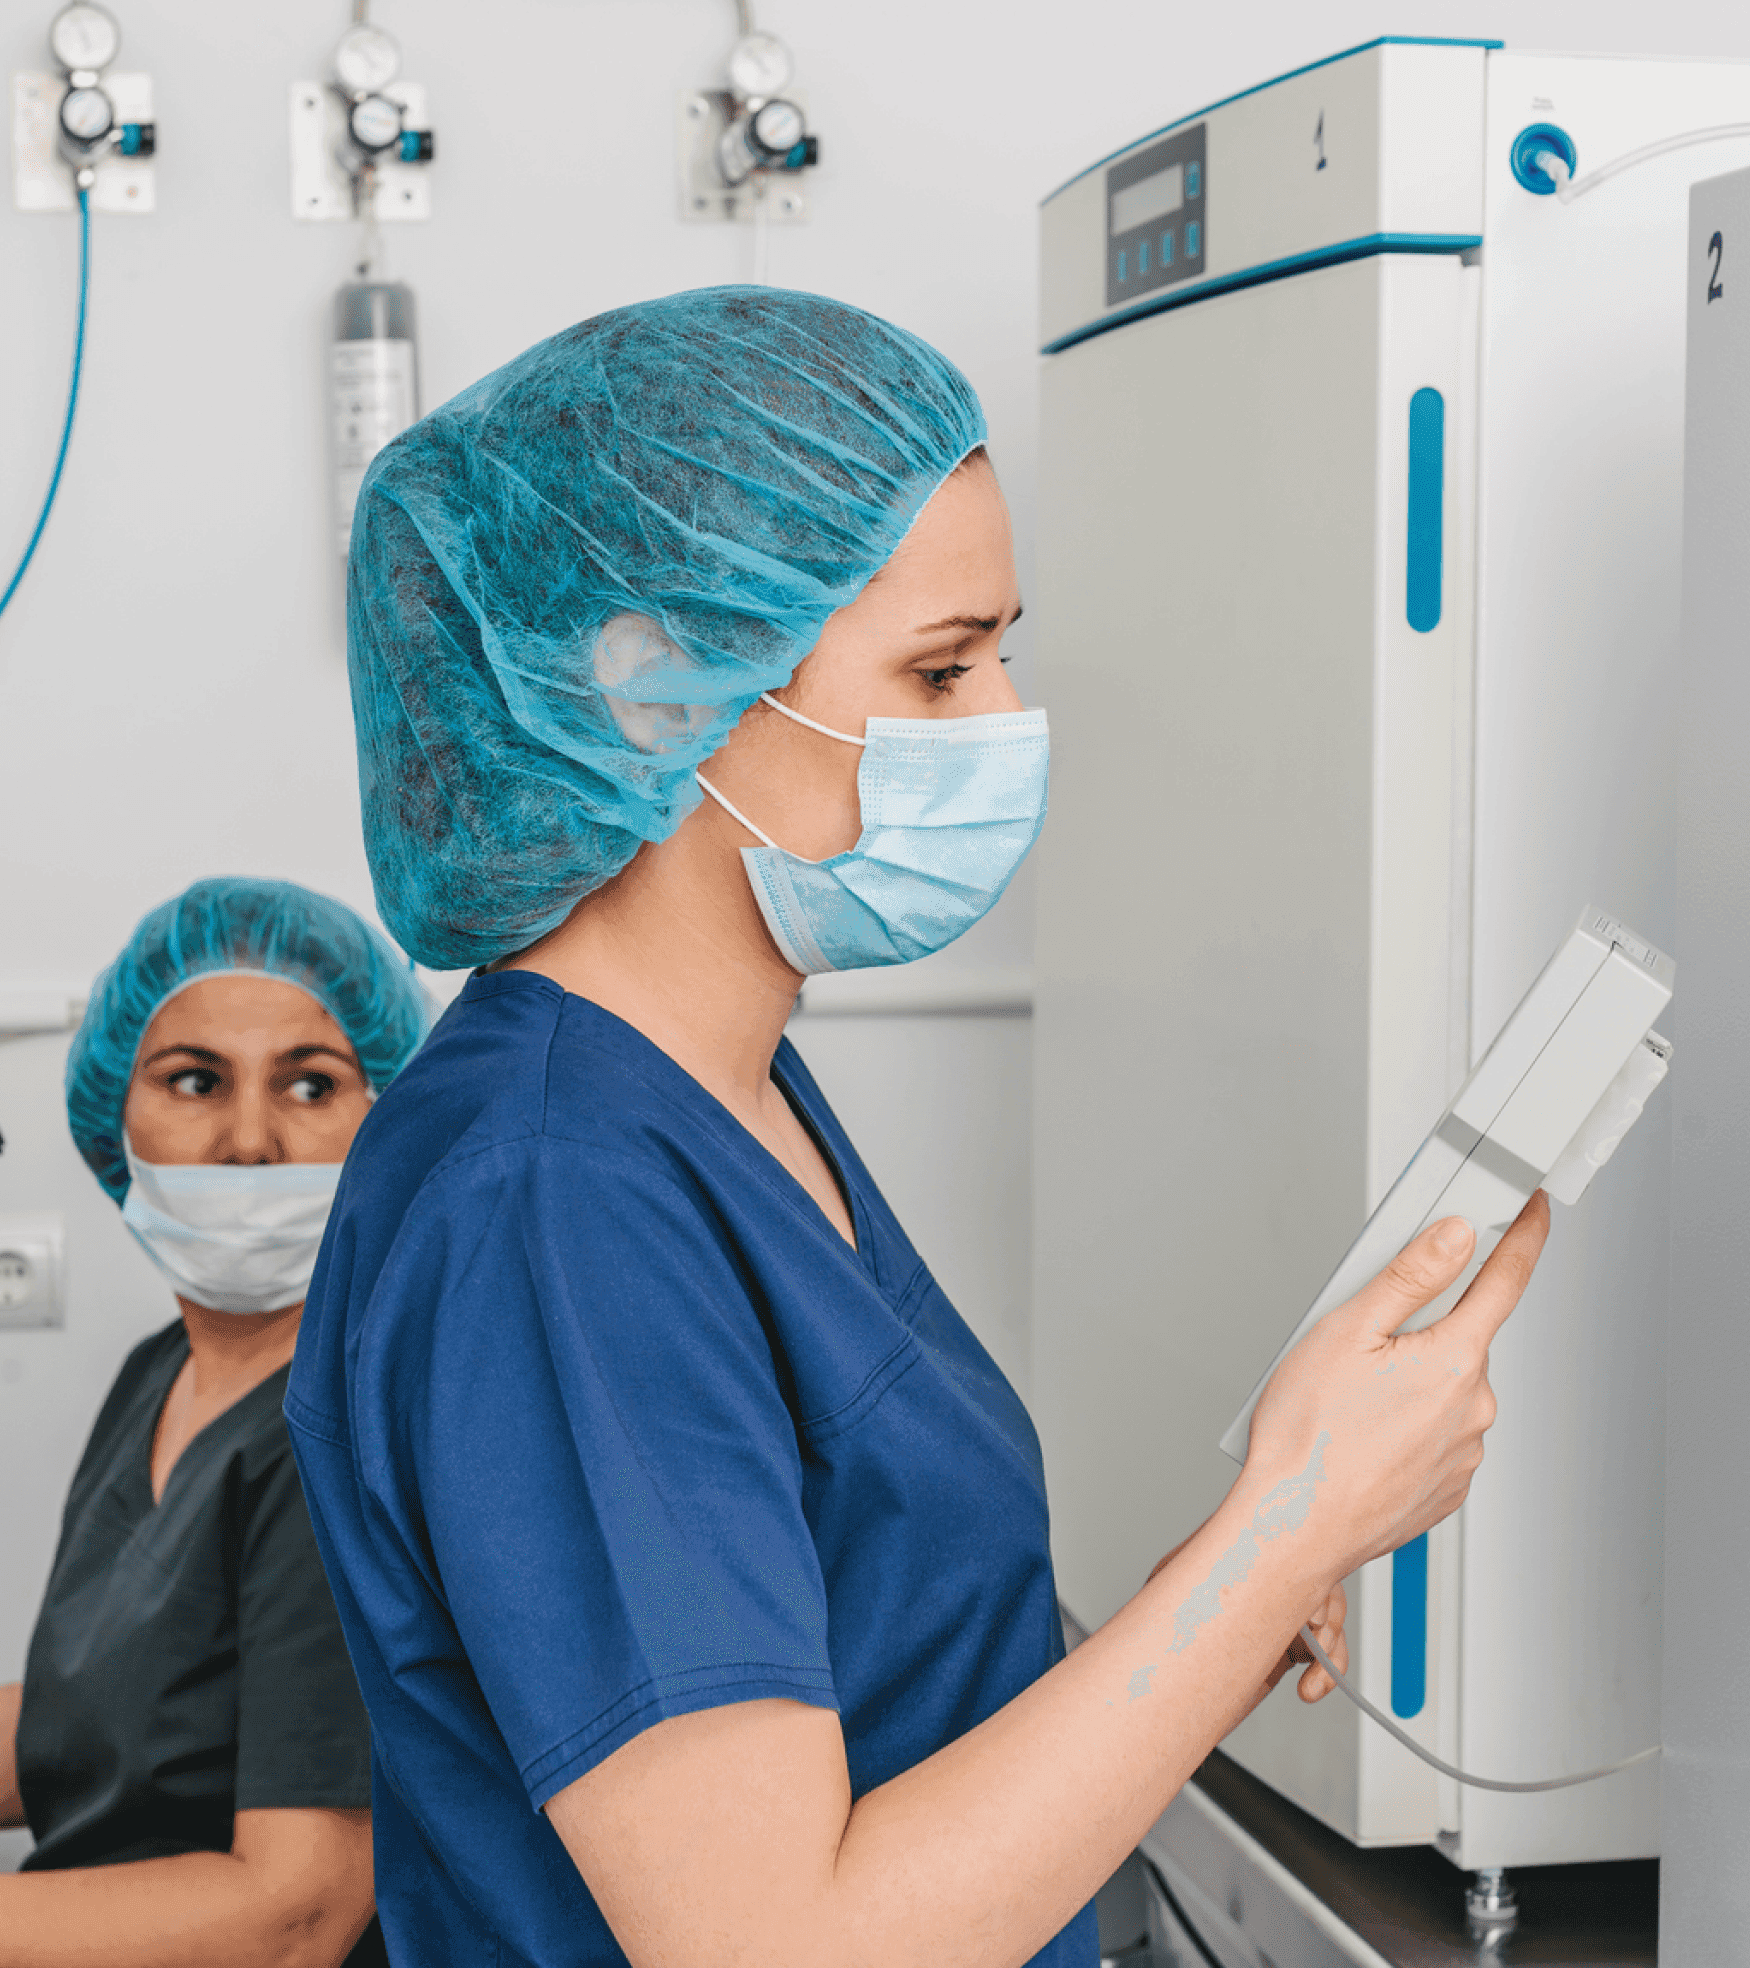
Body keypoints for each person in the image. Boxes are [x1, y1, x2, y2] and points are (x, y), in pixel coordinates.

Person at [288, 286, 1550, 1967]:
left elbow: (868, 1652)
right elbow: (773, 1942)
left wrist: (1237, 1580)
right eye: (943, 667)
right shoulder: (553, 1199)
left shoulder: (719, 1092)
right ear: (658, 689)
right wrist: (1287, 1524)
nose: (1005, 723)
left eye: (1002, 648)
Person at [0, 878, 430, 1968]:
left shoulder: (342, 1433)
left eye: (311, 1084)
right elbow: (92, 1726)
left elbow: (292, 1915)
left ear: (386, 1115)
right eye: (195, 1082)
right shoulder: (164, 1373)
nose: (248, 1141)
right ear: (117, 1117)